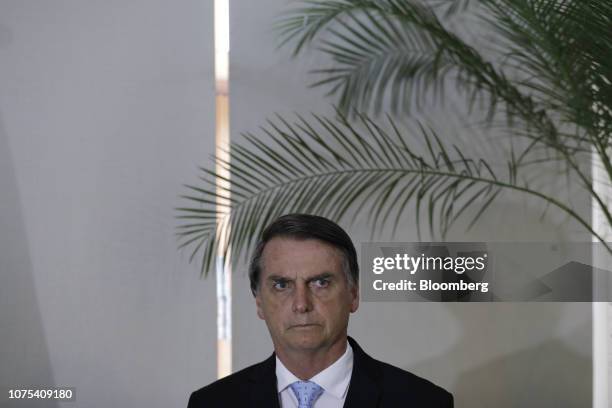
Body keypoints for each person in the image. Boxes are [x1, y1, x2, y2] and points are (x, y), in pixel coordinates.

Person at [188, 214, 453, 408]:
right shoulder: (211, 403)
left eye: (320, 283)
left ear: (353, 294)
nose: (301, 304)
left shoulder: (424, 402)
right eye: (282, 285)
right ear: (259, 302)